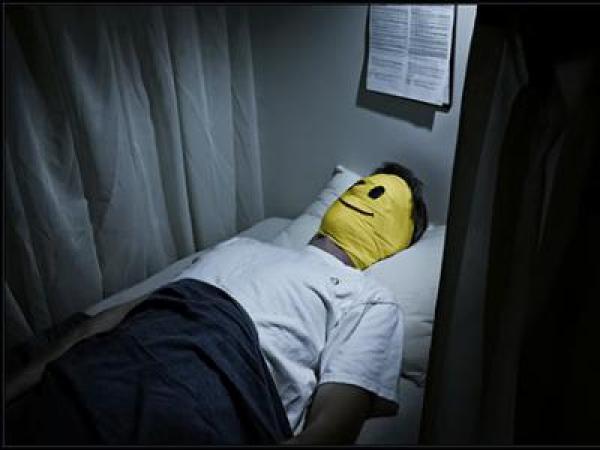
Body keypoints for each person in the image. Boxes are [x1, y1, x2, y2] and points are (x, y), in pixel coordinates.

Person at [6, 162, 428, 445]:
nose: (364, 196)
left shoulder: (369, 298)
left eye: (384, 198)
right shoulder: (244, 246)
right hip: (113, 357)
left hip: (209, 382)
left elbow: (334, 425)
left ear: (395, 240)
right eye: (361, 186)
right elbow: (118, 316)